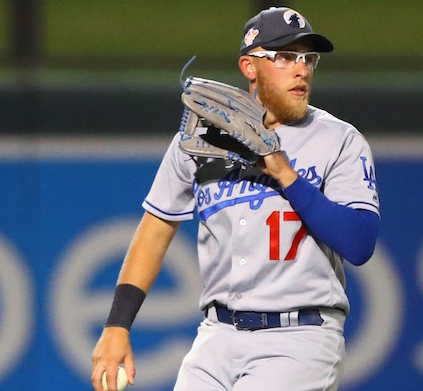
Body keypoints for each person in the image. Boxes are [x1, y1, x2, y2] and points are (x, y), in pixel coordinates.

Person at [91, 7, 380, 391]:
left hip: (299, 339)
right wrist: (117, 325)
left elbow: (359, 242)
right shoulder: (200, 139)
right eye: (284, 56)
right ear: (249, 66)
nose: (302, 69)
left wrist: (285, 175)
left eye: (308, 58)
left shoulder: (339, 139)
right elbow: (155, 230)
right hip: (216, 335)